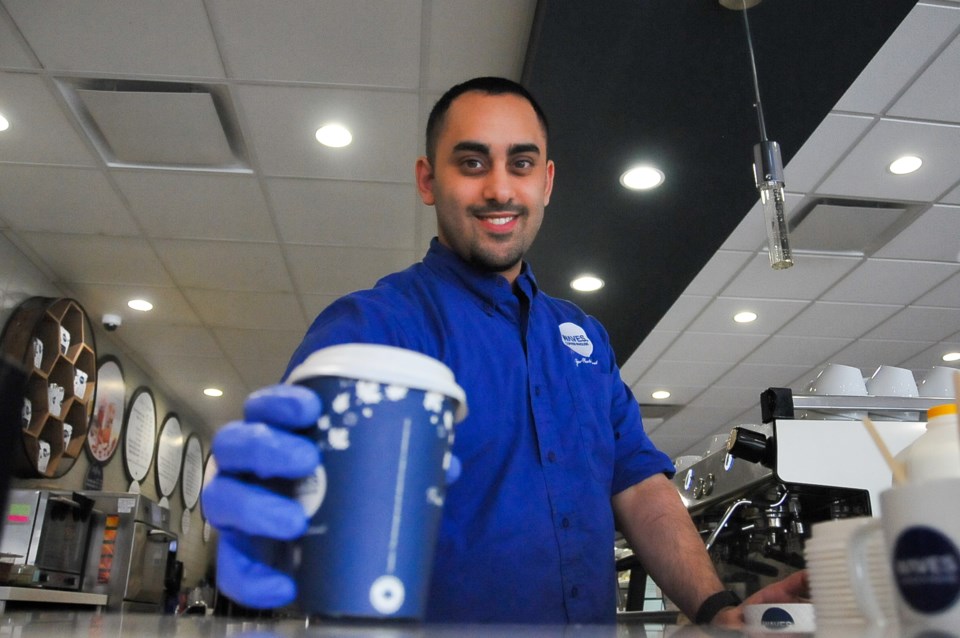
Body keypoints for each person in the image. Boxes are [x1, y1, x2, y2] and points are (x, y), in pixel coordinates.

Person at [202, 76, 808, 625]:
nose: (499, 188)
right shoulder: (375, 325)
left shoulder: (585, 340)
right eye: (471, 162)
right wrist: (271, 501)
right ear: (427, 179)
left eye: (521, 163)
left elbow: (640, 488)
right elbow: (300, 486)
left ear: (546, 181)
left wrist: (718, 608)